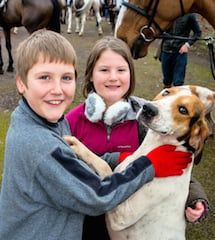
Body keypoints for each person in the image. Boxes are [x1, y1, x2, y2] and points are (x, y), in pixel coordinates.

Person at [0, 30, 192, 240]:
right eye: (44, 77)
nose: (57, 89)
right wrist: (146, 165)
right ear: (21, 83)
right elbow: (96, 194)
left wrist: (118, 159)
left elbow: (72, 166)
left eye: (66, 77)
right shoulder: (45, 139)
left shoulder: (49, 122)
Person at [66, 36, 209, 240]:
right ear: (90, 76)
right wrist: (121, 159)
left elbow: (177, 167)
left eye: (121, 70)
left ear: (131, 76)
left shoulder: (149, 119)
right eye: (104, 70)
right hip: (84, 220)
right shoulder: (72, 121)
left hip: (131, 222)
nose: (113, 77)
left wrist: (196, 199)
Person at [161, 13, 202, 88]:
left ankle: (177, 98)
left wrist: (187, 45)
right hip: (166, 50)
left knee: (178, 83)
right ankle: (166, 98)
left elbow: (198, 32)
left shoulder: (189, 15)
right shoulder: (168, 12)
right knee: (166, 81)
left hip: (180, 52)